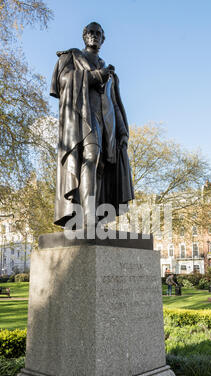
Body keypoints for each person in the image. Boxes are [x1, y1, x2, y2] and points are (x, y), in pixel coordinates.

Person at [50, 22, 134, 228]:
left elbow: (115, 103)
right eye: (90, 32)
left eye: (98, 33)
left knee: (102, 166)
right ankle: (88, 216)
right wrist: (94, 77)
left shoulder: (110, 71)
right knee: (90, 157)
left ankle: (94, 215)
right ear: (84, 36)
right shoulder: (71, 58)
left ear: (103, 39)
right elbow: (63, 82)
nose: (94, 36)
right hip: (83, 119)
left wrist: (122, 131)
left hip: (108, 124)